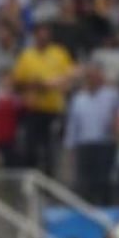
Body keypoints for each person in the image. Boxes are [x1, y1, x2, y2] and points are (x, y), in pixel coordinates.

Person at [11, 21, 74, 175]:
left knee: (50, 151)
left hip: (52, 109)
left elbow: (70, 77)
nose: (43, 36)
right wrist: (34, 84)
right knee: (30, 150)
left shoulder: (59, 53)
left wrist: (52, 84)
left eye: (46, 32)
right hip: (32, 110)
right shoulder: (27, 55)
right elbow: (16, 84)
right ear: (35, 35)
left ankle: (50, 182)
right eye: (40, 33)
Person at [63, 62, 119, 205]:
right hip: (84, 146)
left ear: (101, 77)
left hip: (104, 145)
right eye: (89, 76)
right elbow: (73, 125)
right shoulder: (78, 99)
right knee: (83, 185)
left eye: (95, 76)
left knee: (103, 184)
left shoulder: (112, 95)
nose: (92, 79)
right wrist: (70, 148)